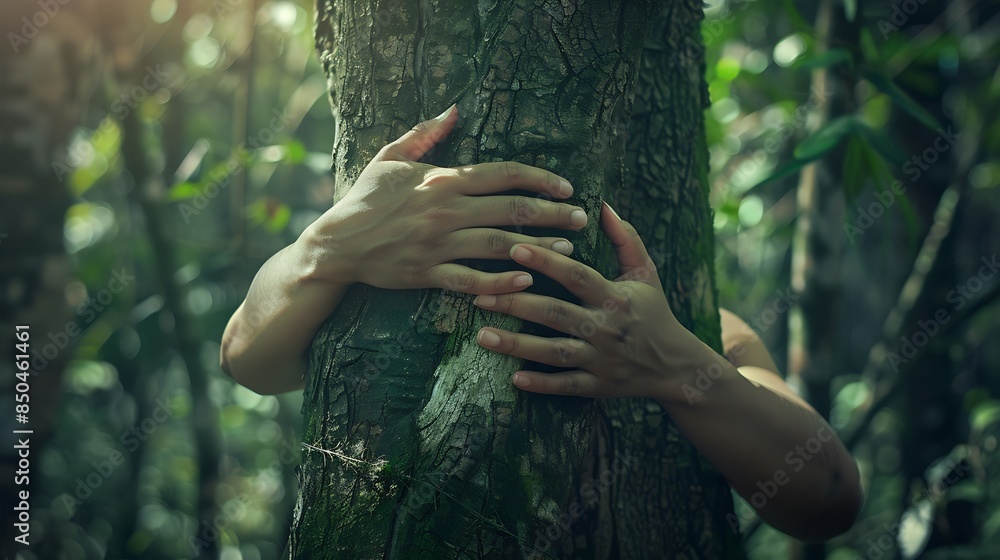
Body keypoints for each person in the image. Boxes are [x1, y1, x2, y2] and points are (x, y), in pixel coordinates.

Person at [220, 104, 863, 542]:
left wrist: (674, 363)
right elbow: (248, 357)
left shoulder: (709, 330)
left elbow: (828, 495)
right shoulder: (360, 283)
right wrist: (326, 248)